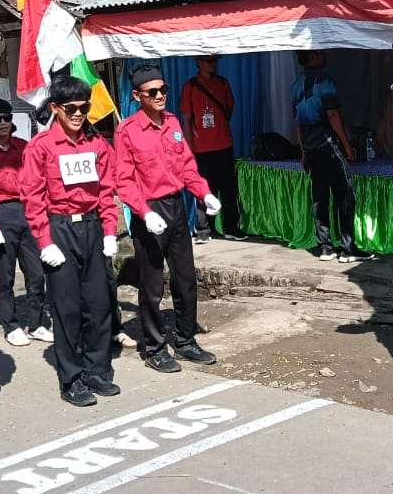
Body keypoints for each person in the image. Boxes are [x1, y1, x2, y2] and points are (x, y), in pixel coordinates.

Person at [20, 75, 120, 407]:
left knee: (98, 304)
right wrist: (44, 240)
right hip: (60, 228)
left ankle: (96, 369)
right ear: (55, 108)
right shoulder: (41, 147)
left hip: (91, 227)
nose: (78, 114)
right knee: (67, 308)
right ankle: (71, 377)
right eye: (71, 108)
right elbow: (32, 197)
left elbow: (106, 190)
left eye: (84, 108)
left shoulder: (97, 144)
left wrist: (109, 231)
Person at [117, 64, 220, 374]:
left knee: (185, 278)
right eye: (153, 92)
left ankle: (186, 340)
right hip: (150, 211)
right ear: (138, 96)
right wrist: (144, 212)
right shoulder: (128, 131)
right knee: (152, 285)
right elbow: (124, 181)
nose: (160, 95)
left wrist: (204, 193)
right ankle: (155, 348)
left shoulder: (173, 123)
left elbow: (187, 166)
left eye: (163, 90)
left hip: (176, 207)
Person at [0, 98, 53, 347]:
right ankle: (10, 325)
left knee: (36, 273)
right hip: (1, 214)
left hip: (28, 211)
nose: (3, 123)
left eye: (7, 118)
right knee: (5, 275)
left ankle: (36, 323)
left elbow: (39, 179)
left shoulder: (24, 147)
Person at [291, 51, 358, 262]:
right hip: (327, 143)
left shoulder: (296, 84)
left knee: (319, 198)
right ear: (312, 57)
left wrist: (303, 151)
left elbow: (298, 123)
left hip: (310, 147)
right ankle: (348, 248)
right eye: (319, 53)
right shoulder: (324, 80)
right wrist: (347, 147)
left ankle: (325, 247)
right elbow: (333, 114)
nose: (324, 56)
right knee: (345, 195)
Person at [179, 55, 242, 242]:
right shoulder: (190, 86)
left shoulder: (223, 83)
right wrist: (190, 148)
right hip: (201, 149)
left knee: (228, 189)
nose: (212, 64)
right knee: (204, 189)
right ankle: (204, 230)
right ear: (198, 62)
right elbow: (186, 120)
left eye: (214, 60)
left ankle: (231, 228)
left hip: (224, 145)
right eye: (208, 60)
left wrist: (221, 126)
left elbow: (229, 108)